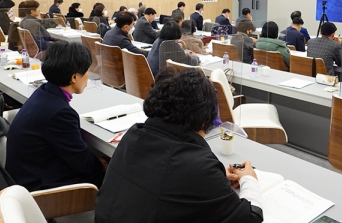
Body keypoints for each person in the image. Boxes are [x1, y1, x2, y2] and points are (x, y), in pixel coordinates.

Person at [95, 67, 263, 223]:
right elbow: (250, 217)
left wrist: (216, 175)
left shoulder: (134, 134)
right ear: (205, 117)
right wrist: (249, 179)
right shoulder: (197, 165)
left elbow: (164, 175)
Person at [6, 41, 106, 191]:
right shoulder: (60, 113)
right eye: (86, 71)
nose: (88, 76)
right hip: (38, 188)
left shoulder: (44, 92)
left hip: (24, 174)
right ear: (74, 77)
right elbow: (82, 163)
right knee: (115, 179)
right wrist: (103, 166)